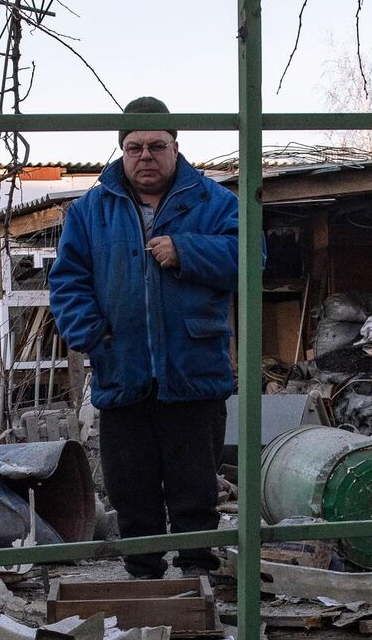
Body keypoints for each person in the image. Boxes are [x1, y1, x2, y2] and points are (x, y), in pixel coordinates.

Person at [50, 97, 241, 579]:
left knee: (194, 484)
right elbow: (67, 281)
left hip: (193, 369)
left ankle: (198, 571)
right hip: (122, 366)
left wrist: (186, 249)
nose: (145, 156)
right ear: (120, 151)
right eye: (134, 147)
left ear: (177, 148)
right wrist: (93, 334)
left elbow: (249, 257)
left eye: (157, 145)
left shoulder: (215, 203)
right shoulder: (90, 211)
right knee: (130, 486)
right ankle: (144, 575)